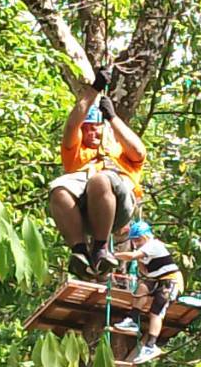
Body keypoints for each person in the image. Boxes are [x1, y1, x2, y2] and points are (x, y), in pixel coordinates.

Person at [48, 67, 146, 279]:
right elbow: (72, 125)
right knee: (59, 189)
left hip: (118, 206)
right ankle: (80, 250)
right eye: (88, 128)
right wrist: (94, 90)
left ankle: (101, 248)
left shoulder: (121, 152)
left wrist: (112, 118)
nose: (91, 132)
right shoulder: (76, 152)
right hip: (87, 209)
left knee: (100, 179)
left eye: (96, 127)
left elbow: (138, 150)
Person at [111, 219, 183, 365]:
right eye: (134, 241)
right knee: (142, 287)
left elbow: (131, 256)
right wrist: (140, 261)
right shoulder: (144, 251)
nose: (136, 244)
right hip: (156, 280)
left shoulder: (154, 245)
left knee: (156, 311)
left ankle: (151, 345)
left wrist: (112, 255)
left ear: (145, 237)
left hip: (171, 281)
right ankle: (133, 319)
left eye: (138, 240)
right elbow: (144, 271)